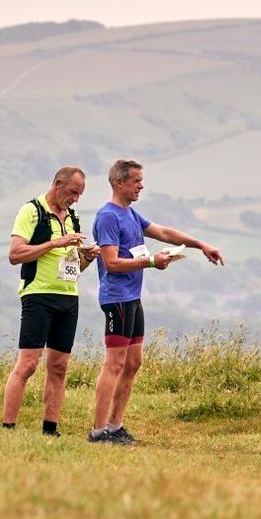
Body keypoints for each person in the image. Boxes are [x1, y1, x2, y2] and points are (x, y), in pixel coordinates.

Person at [88, 158, 223, 444]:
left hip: (133, 298)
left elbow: (163, 233)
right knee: (115, 364)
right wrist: (151, 261)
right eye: (136, 180)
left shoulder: (131, 214)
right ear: (119, 182)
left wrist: (201, 245)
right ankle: (98, 431)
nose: (141, 185)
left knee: (133, 362)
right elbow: (110, 263)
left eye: (141, 179)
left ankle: (115, 425)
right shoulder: (108, 216)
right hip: (117, 299)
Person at [1, 165, 96, 436]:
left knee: (59, 366)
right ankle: (8, 426)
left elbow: (74, 266)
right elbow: (15, 254)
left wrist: (87, 256)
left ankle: (50, 428)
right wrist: (55, 244)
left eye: (80, 195)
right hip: (38, 295)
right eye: (73, 192)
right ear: (58, 184)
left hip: (68, 297)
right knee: (29, 363)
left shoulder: (73, 217)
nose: (76, 199)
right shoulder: (31, 211)